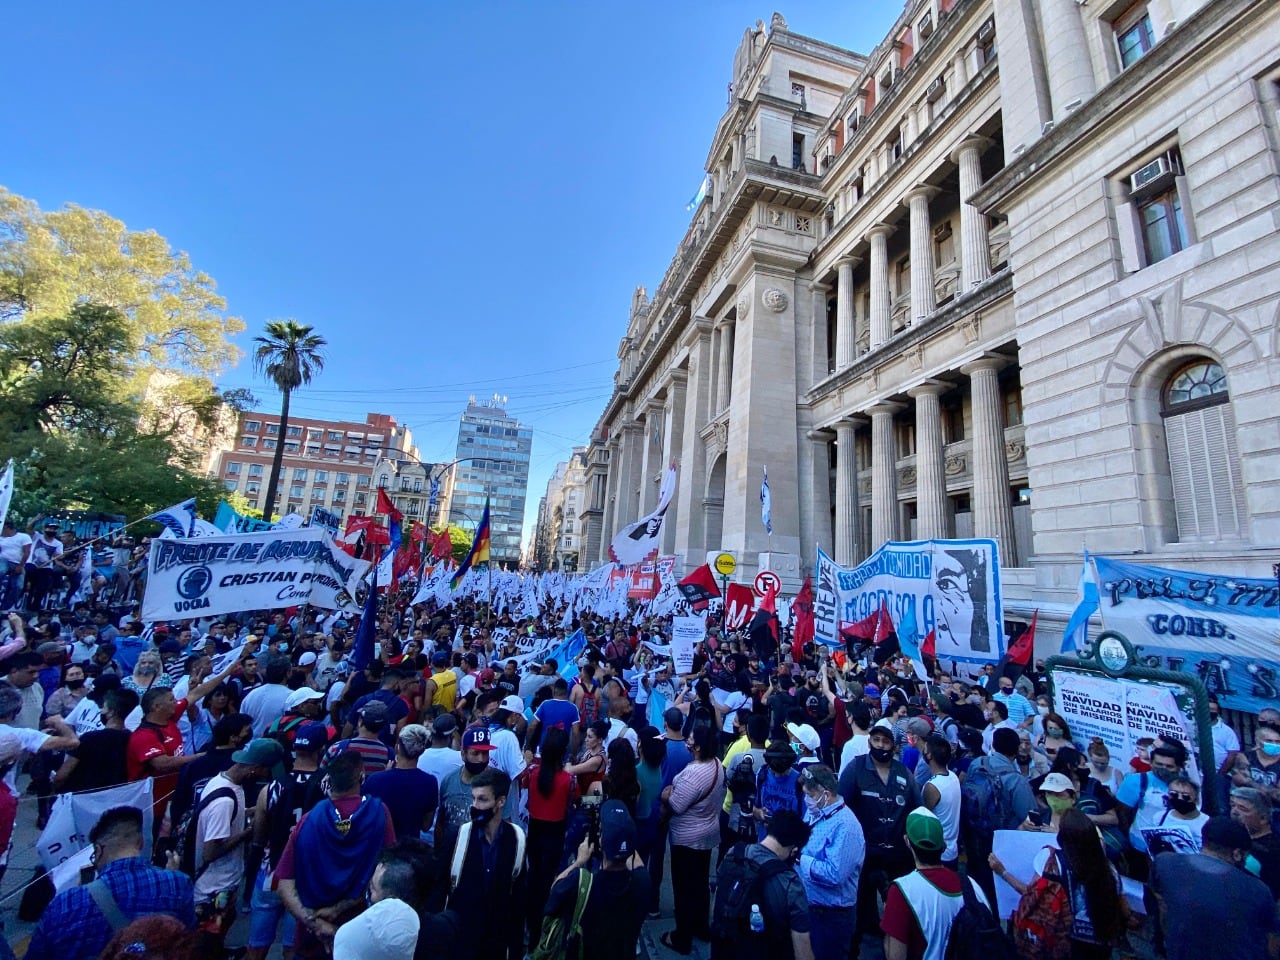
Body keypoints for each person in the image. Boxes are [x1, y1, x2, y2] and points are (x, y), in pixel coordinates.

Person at [25, 806, 195, 960]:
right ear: (140, 843)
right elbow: (186, 940)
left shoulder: (64, 903)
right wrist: (173, 879)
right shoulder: (178, 884)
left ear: (98, 850)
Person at [277, 750, 396, 959]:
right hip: (360, 934)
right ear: (361, 776)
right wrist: (339, 909)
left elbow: (284, 884)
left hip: (311, 936)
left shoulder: (308, 820)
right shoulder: (379, 813)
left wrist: (316, 923)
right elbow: (388, 874)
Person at [991, 808, 1128, 960]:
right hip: (1099, 943)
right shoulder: (1109, 869)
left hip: (1062, 940)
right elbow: (1124, 908)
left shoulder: (1051, 862)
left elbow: (1029, 893)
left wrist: (1002, 872)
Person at [191, 738, 286, 953]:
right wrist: (247, 833)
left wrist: (254, 811)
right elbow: (210, 852)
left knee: (218, 936)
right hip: (214, 888)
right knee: (207, 945)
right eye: (266, 770)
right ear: (257, 768)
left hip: (222, 883)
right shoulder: (224, 801)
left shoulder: (223, 783)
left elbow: (230, 818)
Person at [839, 718, 921, 947]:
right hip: (865, 850)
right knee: (862, 903)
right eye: (876, 740)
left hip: (898, 853)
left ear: (893, 746)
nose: (880, 745)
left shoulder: (903, 772)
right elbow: (841, 804)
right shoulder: (856, 768)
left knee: (899, 906)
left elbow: (917, 806)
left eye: (885, 741)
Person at [1150, 817, 1279, 960]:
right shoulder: (1257, 890)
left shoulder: (1164, 862)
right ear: (1237, 854)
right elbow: (1272, 939)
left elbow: (1162, 907)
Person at [544, 799, 650, 960]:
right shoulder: (643, 881)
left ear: (601, 841)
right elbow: (633, 858)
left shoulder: (581, 883)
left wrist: (579, 861)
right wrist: (623, 838)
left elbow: (554, 894)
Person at [882, 808, 992, 960]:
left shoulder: (902, 890)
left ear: (907, 842)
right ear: (943, 847)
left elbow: (895, 955)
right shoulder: (973, 885)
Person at [712, 808, 814, 960]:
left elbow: (716, 902)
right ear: (794, 849)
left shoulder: (735, 853)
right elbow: (802, 950)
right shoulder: (790, 883)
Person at [658, 724, 726, 955]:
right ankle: (701, 927)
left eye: (691, 739)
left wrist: (668, 794)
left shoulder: (693, 773)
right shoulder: (717, 764)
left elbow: (676, 805)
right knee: (699, 883)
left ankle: (682, 937)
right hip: (707, 832)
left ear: (697, 747)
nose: (687, 740)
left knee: (684, 888)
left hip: (687, 837)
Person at [446, 768, 527, 960]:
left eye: (482, 800)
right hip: (461, 941)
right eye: (473, 799)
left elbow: (518, 899)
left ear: (500, 802)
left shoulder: (516, 839)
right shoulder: (457, 837)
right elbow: (440, 891)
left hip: (496, 943)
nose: (475, 806)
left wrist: (515, 949)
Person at [796, 764, 864, 960]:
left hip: (832, 916)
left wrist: (801, 859)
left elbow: (834, 874)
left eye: (809, 794)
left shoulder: (846, 826)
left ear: (825, 794)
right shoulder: (815, 811)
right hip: (809, 905)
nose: (806, 799)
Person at [522, 727, 574, 941]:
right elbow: (571, 801)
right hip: (554, 832)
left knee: (534, 877)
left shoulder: (533, 774)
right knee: (546, 880)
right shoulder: (566, 780)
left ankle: (531, 925)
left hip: (535, 830)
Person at [1115, 740, 1186, 876]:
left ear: (1179, 767)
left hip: (1174, 852)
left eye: (1169, 766)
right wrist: (1129, 841)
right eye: (1158, 764)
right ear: (1151, 763)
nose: (1163, 769)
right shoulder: (1135, 781)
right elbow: (1122, 813)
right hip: (1139, 848)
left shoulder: (1187, 787)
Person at [52, 687, 137, 792]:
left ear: (112, 712)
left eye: (103, 707)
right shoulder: (133, 739)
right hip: (117, 797)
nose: (101, 711)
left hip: (83, 797)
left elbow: (62, 776)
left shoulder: (89, 738)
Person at [364, 723, 439, 840]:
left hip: (381, 850)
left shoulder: (375, 780)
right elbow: (426, 825)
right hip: (410, 851)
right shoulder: (430, 782)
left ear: (397, 747)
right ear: (422, 751)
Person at [1230, 786, 1280, 898]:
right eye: (1233, 806)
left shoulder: (1274, 850)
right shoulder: (1230, 836)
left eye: (1243, 809)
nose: (1234, 812)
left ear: (1263, 818)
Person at [919, 735, 961, 869]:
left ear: (929, 755)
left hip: (939, 854)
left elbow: (923, 817)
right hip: (952, 851)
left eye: (925, 749)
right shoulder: (953, 777)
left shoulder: (932, 786)